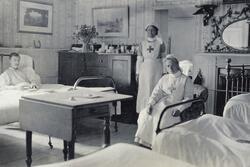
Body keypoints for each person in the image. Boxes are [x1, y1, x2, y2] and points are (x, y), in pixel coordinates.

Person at [135, 55, 194, 148]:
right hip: (161, 104)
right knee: (145, 114)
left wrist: (180, 109)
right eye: (167, 66)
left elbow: (188, 98)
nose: (169, 68)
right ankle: (146, 142)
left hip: (174, 105)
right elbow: (156, 93)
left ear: (177, 65)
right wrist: (150, 104)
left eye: (171, 65)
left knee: (162, 117)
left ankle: (159, 144)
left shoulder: (185, 80)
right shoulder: (164, 78)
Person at [136, 24, 166, 114]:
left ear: (156, 31)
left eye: (152, 30)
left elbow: (163, 58)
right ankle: (143, 110)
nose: (150, 32)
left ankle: (156, 110)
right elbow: (139, 59)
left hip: (156, 68)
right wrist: (137, 72)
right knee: (144, 89)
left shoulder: (160, 43)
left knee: (155, 88)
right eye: (148, 30)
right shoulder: (142, 43)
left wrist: (164, 72)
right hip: (144, 69)